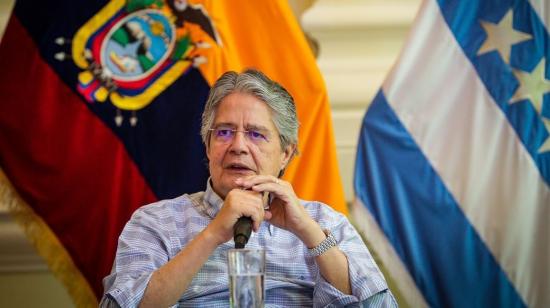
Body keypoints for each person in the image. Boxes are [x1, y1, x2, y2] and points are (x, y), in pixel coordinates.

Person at [100, 69, 396, 307]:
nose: (238, 146)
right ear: (207, 146)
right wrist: (212, 234)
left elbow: (381, 305)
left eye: (256, 134)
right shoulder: (155, 222)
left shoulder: (324, 222)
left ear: (286, 154)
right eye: (225, 133)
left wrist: (310, 233)